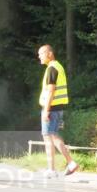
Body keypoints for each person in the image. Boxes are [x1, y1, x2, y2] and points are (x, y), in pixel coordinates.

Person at [37, 45, 78, 178]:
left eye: (41, 54)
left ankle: (69, 163)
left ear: (49, 53)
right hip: (56, 108)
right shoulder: (57, 66)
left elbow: (51, 91)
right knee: (51, 137)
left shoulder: (52, 68)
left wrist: (46, 110)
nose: (39, 56)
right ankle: (53, 169)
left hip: (51, 108)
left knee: (51, 137)